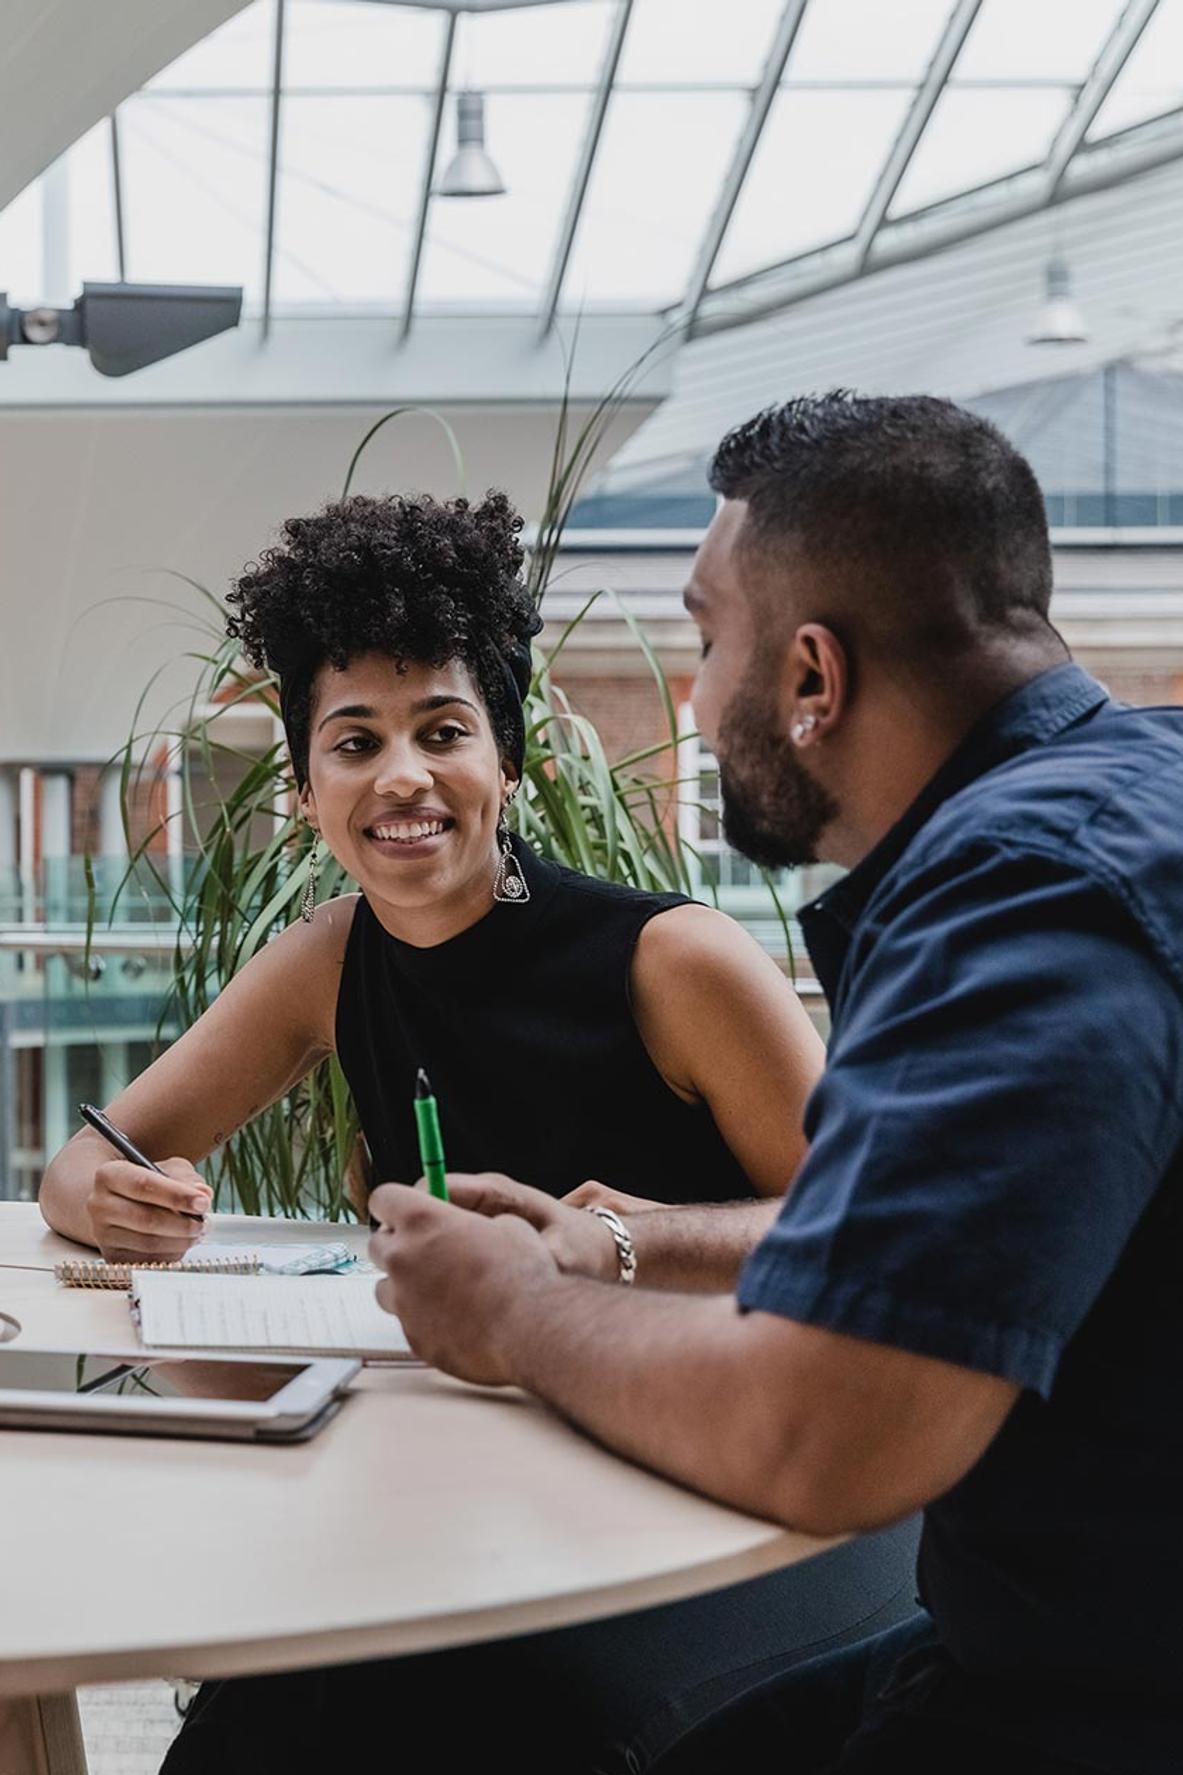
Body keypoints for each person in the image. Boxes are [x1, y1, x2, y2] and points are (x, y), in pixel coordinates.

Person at [39, 489, 918, 1772]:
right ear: (303, 784)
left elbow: (881, 1236)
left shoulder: (672, 962)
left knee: (496, 1722)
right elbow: (92, 1152)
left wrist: (630, 1241)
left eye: (442, 729)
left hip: (744, 1482)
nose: (400, 774)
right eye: (354, 742)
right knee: (252, 1731)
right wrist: (102, 1193)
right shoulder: (324, 958)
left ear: (514, 758)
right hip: (494, 1466)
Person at [369, 394, 1183, 1775]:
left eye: (702, 635)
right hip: (1024, 1628)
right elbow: (931, 1231)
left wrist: (514, 1310)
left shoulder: (1023, 893)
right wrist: (621, 1243)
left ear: (810, 677)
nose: (690, 694)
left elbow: (831, 1426)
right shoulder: (1125, 791)